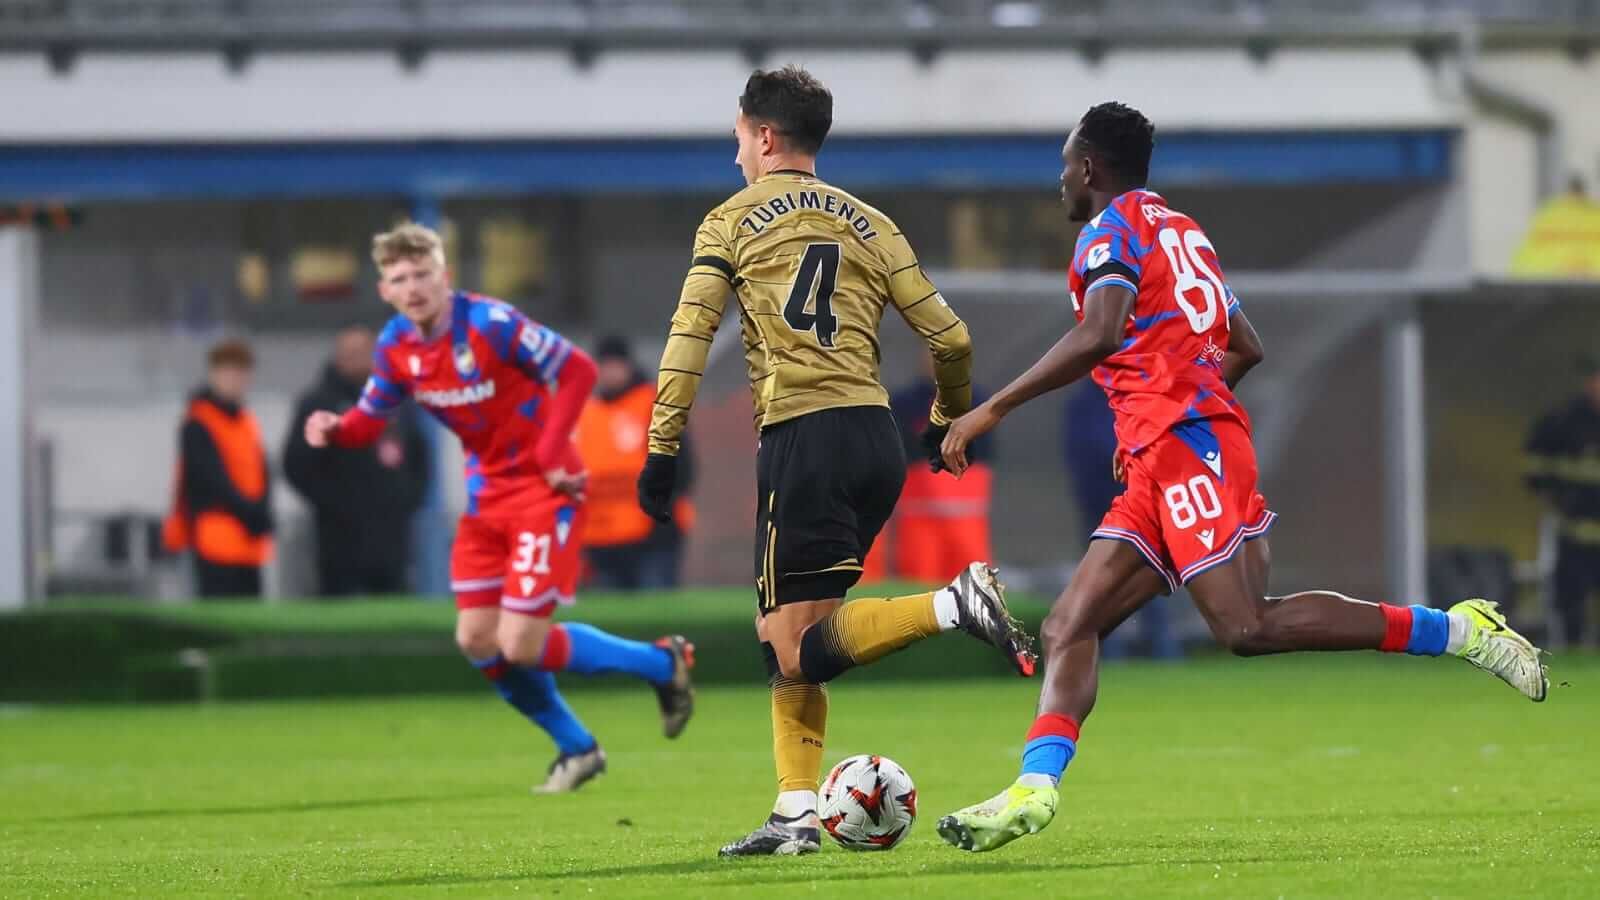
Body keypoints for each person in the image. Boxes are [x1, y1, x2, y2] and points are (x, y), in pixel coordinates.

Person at [934, 102, 1549, 853]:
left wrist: (988, 411)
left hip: (1188, 447)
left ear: (1089, 167)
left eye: (1066, 166)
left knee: (1246, 627)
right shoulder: (1183, 229)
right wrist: (1170, 409)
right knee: (1071, 624)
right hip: (1172, 446)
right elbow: (1245, 344)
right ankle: (1033, 790)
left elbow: (1100, 332)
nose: (1061, 181)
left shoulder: (1111, 230)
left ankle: (1457, 630)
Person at [633, 65, 1037, 858]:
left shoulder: (730, 222)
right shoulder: (871, 222)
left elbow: (688, 341)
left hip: (802, 438)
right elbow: (950, 338)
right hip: (875, 437)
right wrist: (948, 415)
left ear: (766, 136)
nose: (736, 156)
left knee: (799, 647)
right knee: (783, 634)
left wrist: (661, 446)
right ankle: (793, 815)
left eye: (739, 140)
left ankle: (953, 604)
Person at [302, 223, 694, 793]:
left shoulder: (490, 324)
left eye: (421, 274)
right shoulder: (396, 347)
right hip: (486, 500)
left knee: (521, 645)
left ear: (445, 277)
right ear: (386, 291)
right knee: (477, 640)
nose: (412, 287)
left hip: (544, 492)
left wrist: (554, 447)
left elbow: (578, 370)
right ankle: (577, 748)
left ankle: (663, 664)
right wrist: (337, 429)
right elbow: (370, 419)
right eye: (399, 279)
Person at [284, 325, 431, 597]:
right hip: (339, 542)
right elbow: (296, 465)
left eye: (364, 352)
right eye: (350, 353)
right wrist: (333, 503)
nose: (358, 359)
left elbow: (420, 456)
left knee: (391, 616)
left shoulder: (395, 402)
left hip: (390, 539)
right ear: (337, 358)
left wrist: (407, 499)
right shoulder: (319, 403)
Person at [1063, 380, 1181, 660]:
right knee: (1124, 584)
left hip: (1128, 510)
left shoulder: (1105, 402)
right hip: (1109, 511)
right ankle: (1138, 654)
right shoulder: (1106, 402)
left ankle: (1159, 653)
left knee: (1128, 583)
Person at [576, 335, 694, 590]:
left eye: (614, 365)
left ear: (627, 366)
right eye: (603, 366)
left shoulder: (653, 403)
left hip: (652, 535)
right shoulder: (588, 411)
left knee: (655, 608)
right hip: (601, 537)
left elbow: (680, 465)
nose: (608, 373)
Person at [162, 338, 274, 598]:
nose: (235, 380)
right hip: (215, 538)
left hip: (249, 542)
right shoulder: (198, 422)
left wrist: (262, 509)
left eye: (241, 373)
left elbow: (261, 470)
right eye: (228, 372)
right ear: (214, 374)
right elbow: (210, 478)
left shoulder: (247, 422)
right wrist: (251, 512)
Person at [885, 355, 993, 582]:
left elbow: (984, 452)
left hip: (965, 530)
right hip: (919, 528)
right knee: (919, 578)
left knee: (970, 577)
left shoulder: (979, 402)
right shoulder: (904, 404)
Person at [1525, 354, 1600, 647]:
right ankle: (1572, 649)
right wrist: (1557, 498)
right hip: (1574, 531)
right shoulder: (1564, 423)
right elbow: (1536, 469)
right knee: (1570, 599)